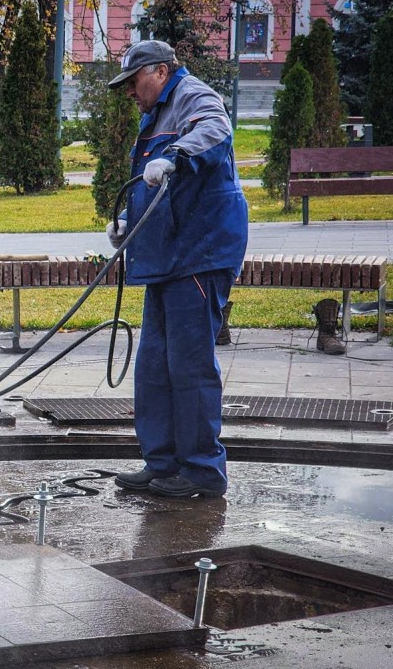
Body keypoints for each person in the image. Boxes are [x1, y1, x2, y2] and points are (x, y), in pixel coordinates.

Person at [105, 40, 249, 498]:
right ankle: (163, 464)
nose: (130, 91)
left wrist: (177, 155)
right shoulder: (155, 114)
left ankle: (202, 474)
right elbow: (159, 184)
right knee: (153, 366)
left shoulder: (192, 94)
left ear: (161, 71)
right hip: (167, 254)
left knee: (188, 367)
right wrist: (131, 222)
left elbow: (215, 128)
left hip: (199, 254)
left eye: (134, 81)